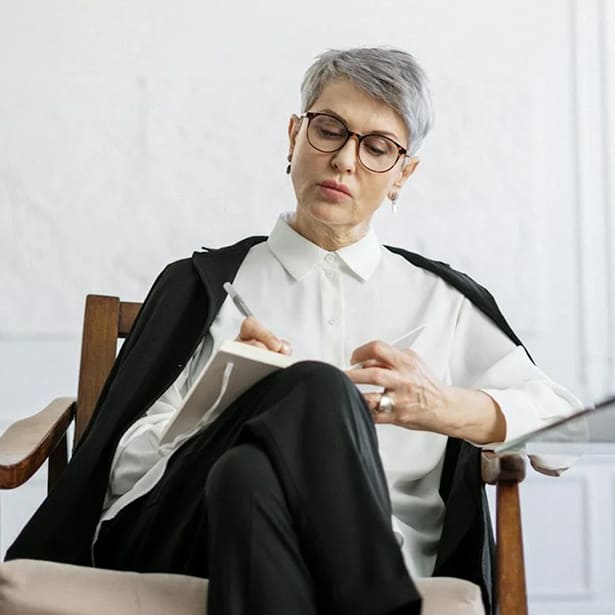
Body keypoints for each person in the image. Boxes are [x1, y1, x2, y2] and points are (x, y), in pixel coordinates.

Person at [6, 47, 580, 615]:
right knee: (315, 388)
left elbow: (567, 437)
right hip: (183, 538)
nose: (345, 160)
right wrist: (223, 406)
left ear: (404, 174)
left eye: (378, 147)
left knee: (247, 476)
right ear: (294, 136)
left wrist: (441, 407)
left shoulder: (443, 301)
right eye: (329, 130)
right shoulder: (204, 286)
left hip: (271, 532)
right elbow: (122, 473)